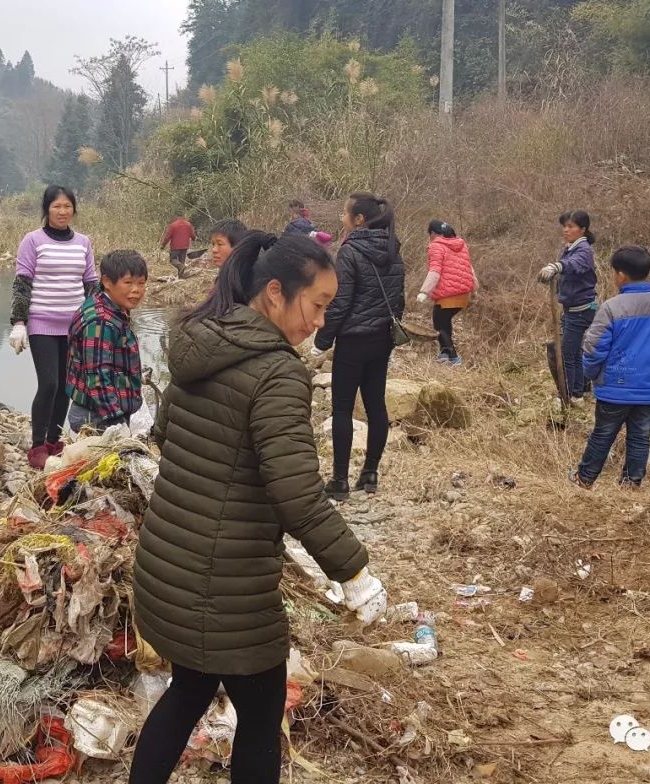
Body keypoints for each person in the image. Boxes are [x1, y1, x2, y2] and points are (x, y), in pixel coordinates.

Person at [131, 231, 386, 784]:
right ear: (275, 292)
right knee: (262, 707)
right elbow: (297, 495)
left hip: (165, 565)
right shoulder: (277, 374)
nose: (320, 322)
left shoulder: (201, 344)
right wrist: (355, 572)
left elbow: (165, 433)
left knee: (190, 688)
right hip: (223, 586)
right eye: (316, 305)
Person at [314, 192, 405, 501]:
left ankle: (339, 481)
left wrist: (321, 342)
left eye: (345, 213)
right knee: (376, 404)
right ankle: (370, 474)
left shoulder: (350, 251)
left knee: (342, 407)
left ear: (360, 219)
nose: (342, 218)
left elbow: (340, 304)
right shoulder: (394, 249)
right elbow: (399, 299)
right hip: (382, 340)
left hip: (352, 341)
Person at [571, 245, 650, 488]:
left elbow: (593, 348)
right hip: (649, 389)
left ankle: (584, 479)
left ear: (621, 275)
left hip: (614, 387)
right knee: (640, 437)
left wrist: (592, 375)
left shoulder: (611, 308)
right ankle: (632, 482)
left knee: (602, 434)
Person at [9, 185, 97, 469]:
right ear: (47, 209)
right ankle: (36, 447)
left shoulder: (83, 242)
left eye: (67, 206)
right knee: (48, 384)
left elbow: (90, 285)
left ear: (74, 209)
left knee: (66, 388)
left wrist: (98, 319)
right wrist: (19, 322)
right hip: (42, 324)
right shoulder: (33, 241)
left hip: (74, 326)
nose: (62, 211)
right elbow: (23, 284)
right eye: (57, 206)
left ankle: (53, 441)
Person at [65, 250, 148, 434]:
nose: (136, 290)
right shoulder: (101, 322)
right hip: (97, 417)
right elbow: (97, 377)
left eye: (141, 283)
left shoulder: (110, 307)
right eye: (128, 283)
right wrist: (116, 421)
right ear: (107, 282)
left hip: (101, 411)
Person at [539, 210, 599, 404]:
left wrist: (557, 267)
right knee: (574, 352)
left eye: (571, 226)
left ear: (583, 229)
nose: (566, 230)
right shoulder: (570, 248)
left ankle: (573, 395)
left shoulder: (583, 251)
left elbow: (573, 265)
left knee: (567, 354)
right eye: (564, 226)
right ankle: (580, 390)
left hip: (580, 311)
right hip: (573, 309)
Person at [416, 220, 476, 365]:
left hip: (448, 294)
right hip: (463, 293)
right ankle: (444, 353)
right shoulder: (461, 244)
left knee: (439, 323)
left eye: (429, 234)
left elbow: (435, 272)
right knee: (445, 321)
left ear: (433, 233)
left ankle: (454, 358)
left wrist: (424, 292)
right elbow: (470, 268)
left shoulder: (436, 246)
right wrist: (475, 288)